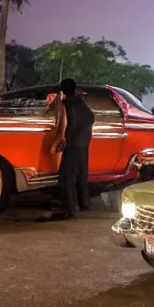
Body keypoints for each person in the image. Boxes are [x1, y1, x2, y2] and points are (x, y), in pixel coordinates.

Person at [50, 79, 95, 218]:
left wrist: (60, 140)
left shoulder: (66, 104)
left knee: (65, 177)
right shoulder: (82, 102)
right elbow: (91, 118)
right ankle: (84, 203)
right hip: (84, 143)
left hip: (72, 144)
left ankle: (71, 207)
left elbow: (64, 123)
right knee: (81, 174)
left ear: (63, 91)